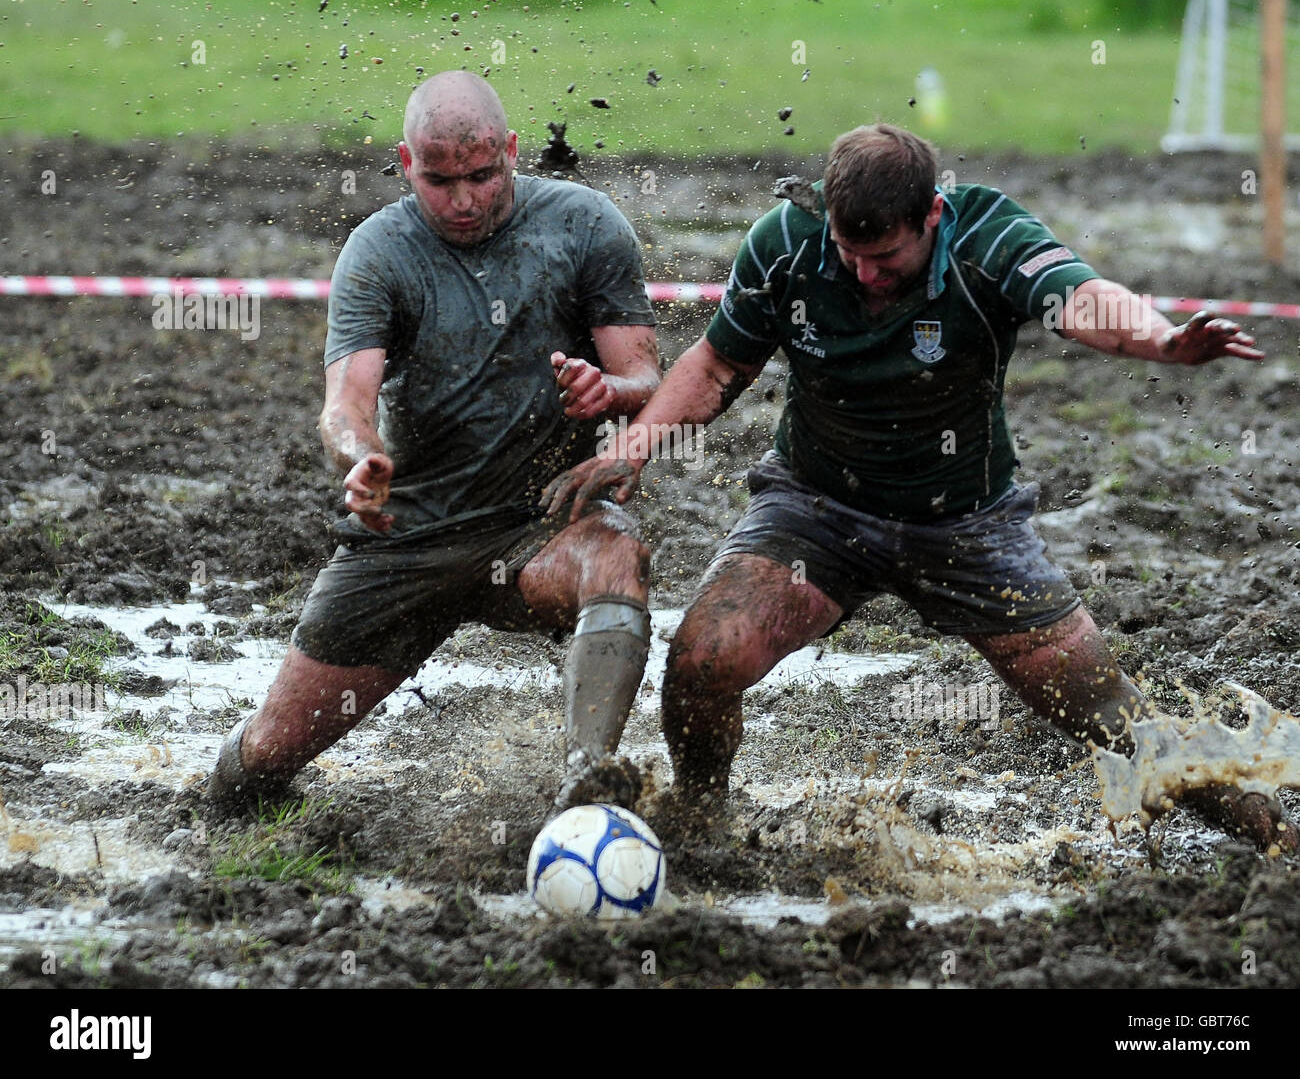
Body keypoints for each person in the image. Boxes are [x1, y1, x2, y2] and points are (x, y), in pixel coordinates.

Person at [542, 122, 1297, 854]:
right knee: (703, 660)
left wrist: (1162, 339)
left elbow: (1081, 299)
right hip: (815, 510)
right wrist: (636, 447)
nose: (866, 274)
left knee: (1107, 713)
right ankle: (701, 818)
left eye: (887, 258)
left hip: (966, 525)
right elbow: (714, 365)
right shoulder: (785, 241)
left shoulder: (987, 237)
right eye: (850, 254)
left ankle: (1270, 835)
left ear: (931, 214)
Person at [208, 70, 661, 815]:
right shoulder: (378, 251)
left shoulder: (585, 224)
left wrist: (611, 394)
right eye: (439, 179)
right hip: (407, 535)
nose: (464, 199)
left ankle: (590, 781)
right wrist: (362, 460)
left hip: (539, 524)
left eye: (483, 175)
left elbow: (647, 374)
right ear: (405, 161)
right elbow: (344, 407)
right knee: (268, 752)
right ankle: (211, 816)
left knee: (617, 552)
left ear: (512, 151)